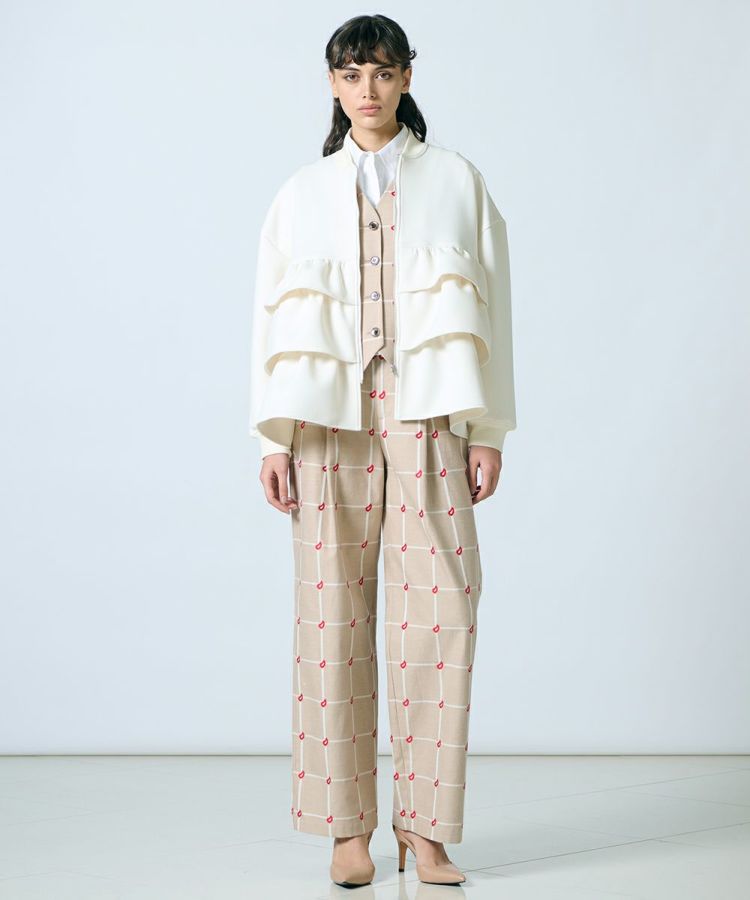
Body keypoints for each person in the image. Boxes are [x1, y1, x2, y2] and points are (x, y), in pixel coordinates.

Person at [249, 14, 517, 888]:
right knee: (330, 620)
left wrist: (487, 429)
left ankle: (426, 831)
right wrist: (272, 436)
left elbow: (498, 309)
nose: (367, 89)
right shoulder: (300, 194)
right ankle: (346, 829)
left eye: (382, 72)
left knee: (442, 614)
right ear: (332, 82)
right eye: (351, 74)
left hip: (429, 414)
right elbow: (267, 323)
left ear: (407, 76)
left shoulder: (457, 182)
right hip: (325, 421)